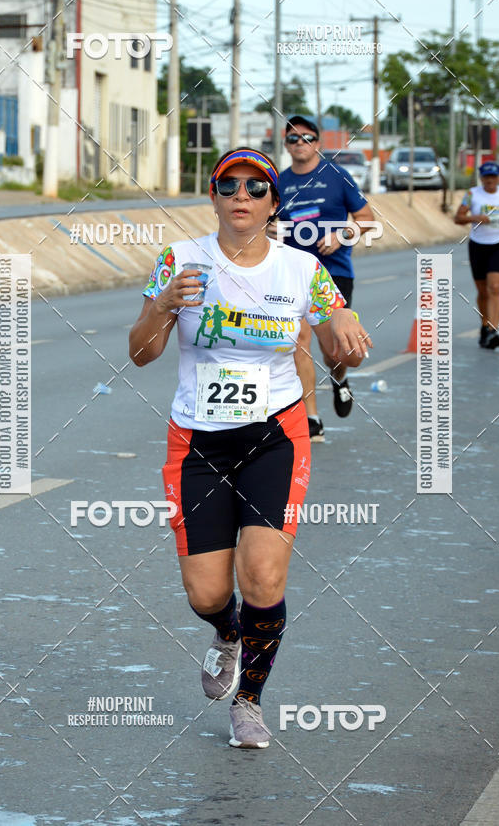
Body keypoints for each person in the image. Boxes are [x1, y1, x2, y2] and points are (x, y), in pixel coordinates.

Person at [129, 148, 372, 749]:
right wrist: (162, 305)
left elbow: (336, 334)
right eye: (229, 185)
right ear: (213, 197)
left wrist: (345, 334)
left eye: (256, 187)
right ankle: (227, 631)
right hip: (197, 442)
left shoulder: (300, 269)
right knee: (207, 593)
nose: (242, 195)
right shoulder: (179, 260)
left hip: (275, 436)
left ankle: (249, 702)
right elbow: (140, 353)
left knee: (262, 577)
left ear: (272, 203)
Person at [276, 114, 377, 441]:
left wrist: (342, 235)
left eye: (306, 137)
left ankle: (340, 378)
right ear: (286, 145)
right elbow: (264, 222)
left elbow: (367, 219)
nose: (300, 143)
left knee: (334, 351)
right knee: (298, 342)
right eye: (293, 138)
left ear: (317, 143)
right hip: (293, 274)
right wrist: (270, 231)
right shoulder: (279, 182)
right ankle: (312, 417)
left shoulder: (337, 176)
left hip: (334, 272)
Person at [454, 160, 499, 348]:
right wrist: (475, 217)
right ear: (481, 178)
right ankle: (484, 325)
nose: (489, 180)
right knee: (483, 291)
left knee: (495, 287)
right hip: (478, 245)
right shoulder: (472, 194)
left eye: (493, 177)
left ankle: (493, 330)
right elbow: (458, 217)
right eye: (486, 177)